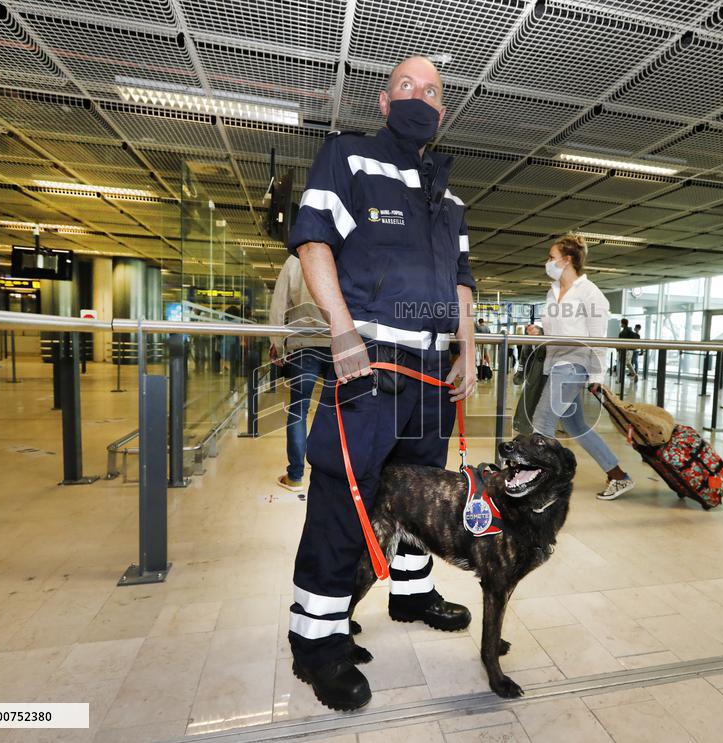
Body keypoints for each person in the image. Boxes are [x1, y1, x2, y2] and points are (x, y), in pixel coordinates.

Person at [285, 55, 477, 711]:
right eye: (407, 87)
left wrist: (467, 347)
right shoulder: (348, 157)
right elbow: (313, 243)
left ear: (442, 112)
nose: (420, 97)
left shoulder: (448, 196)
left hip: (430, 374)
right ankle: (317, 641)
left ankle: (412, 590)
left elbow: (461, 282)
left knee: (419, 493)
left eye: (432, 91)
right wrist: (341, 330)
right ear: (384, 99)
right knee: (344, 494)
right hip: (370, 362)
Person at [527, 234, 634, 500]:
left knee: (542, 422)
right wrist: (538, 330)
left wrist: (597, 374)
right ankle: (619, 476)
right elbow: (557, 329)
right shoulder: (553, 292)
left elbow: (599, 338)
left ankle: (542, 487)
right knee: (576, 426)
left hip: (574, 364)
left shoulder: (590, 293)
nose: (548, 262)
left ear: (567, 260)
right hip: (555, 362)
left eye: (551, 258)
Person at [268, 255, 332, 492]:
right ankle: (333, 475)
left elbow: (279, 304)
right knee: (338, 412)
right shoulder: (342, 254)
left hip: (303, 345)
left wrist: (277, 343)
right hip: (337, 344)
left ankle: (295, 475)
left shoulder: (295, 261)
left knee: (298, 410)